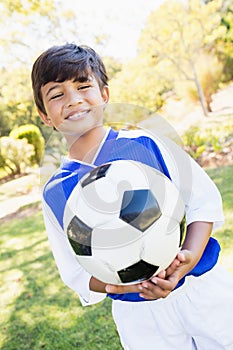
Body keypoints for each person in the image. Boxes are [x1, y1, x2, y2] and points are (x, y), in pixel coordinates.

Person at [31, 43, 233, 350]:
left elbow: (203, 204)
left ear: (104, 96)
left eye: (83, 86)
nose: (73, 100)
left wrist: (188, 258)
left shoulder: (147, 143)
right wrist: (119, 283)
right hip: (139, 314)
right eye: (57, 94)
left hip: (201, 287)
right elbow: (75, 272)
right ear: (45, 115)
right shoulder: (55, 192)